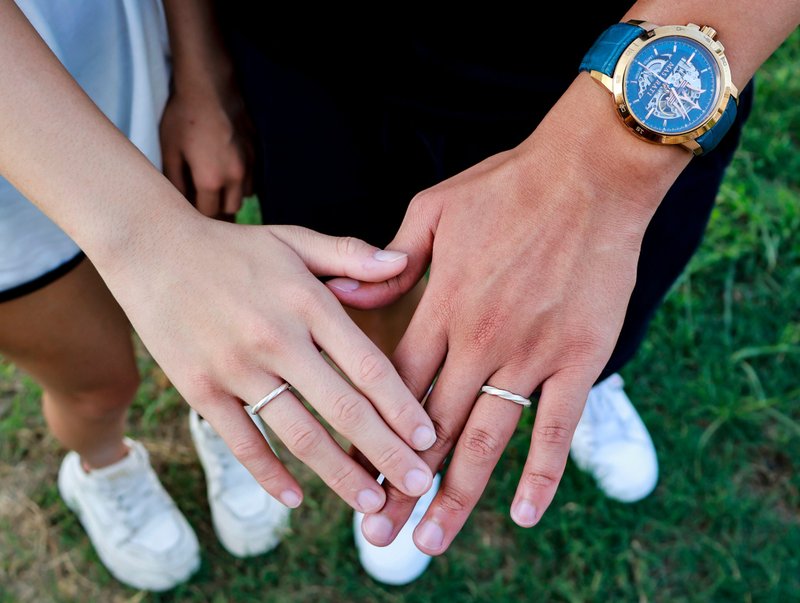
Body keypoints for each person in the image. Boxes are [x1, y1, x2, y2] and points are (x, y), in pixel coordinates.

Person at [213, 0, 799, 585]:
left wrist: (604, 169)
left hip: (596, 42)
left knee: (607, 294)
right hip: (314, 59)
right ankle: (411, 447)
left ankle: (585, 383)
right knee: (364, 281)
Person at [0, 0, 439, 591]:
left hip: (131, 64)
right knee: (97, 384)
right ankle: (103, 468)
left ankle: (226, 411)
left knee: (223, 322)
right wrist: (146, 237)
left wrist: (202, 73)